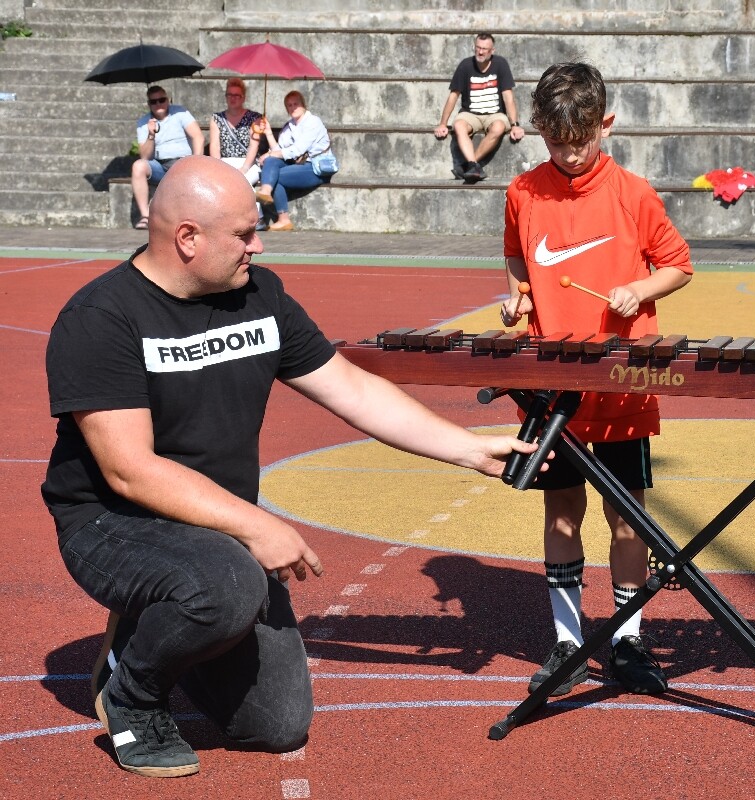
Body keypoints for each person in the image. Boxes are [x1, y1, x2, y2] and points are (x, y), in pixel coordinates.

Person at [42, 156, 541, 779]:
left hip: (214, 525)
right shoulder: (101, 320)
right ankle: (132, 692)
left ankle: (163, 621)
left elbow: (350, 389)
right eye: (244, 234)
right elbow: (129, 471)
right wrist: (256, 527)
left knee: (276, 724)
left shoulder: (261, 296)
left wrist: (469, 449)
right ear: (187, 238)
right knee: (227, 588)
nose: (259, 244)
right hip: (115, 524)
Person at [499, 63, 693, 698]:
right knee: (561, 509)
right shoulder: (524, 193)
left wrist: (639, 288)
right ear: (539, 133)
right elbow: (516, 259)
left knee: (627, 515)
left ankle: (629, 637)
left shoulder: (633, 194)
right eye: (556, 142)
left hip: (623, 378)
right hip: (552, 385)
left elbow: (678, 264)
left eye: (580, 141)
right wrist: (518, 299)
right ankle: (567, 640)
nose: (569, 153)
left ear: (605, 124)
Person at [433, 32, 525, 183]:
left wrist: (515, 125)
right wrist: (443, 123)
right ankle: (474, 166)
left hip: (495, 113)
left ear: (492, 50)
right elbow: (453, 95)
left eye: (484, 49)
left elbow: (508, 97)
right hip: (470, 113)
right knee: (458, 125)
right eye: (478, 48)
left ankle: (469, 165)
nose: (480, 52)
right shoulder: (465, 65)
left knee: (499, 127)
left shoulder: (500, 64)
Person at [255, 90, 335, 232]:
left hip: (315, 167)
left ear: (304, 105)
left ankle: (283, 219)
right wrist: (268, 132)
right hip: (298, 165)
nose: (293, 108)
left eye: (296, 104)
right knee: (272, 162)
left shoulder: (313, 122)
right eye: (289, 105)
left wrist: (270, 154)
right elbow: (279, 149)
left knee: (275, 175)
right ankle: (266, 192)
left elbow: (297, 150)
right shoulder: (289, 126)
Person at [131, 85, 204, 230]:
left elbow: (198, 137)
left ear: (168, 100)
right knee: (138, 166)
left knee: (182, 169)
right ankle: (145, 216)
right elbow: (145, 156)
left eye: (162, 100)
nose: (158, 104)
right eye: (154, 102)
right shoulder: (143, 123)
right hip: (159, 166)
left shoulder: (180, 113)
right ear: (149, 104)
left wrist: (197, 163)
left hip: (182, 162)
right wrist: (151, 135)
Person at [209, 77, 264, 186]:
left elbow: (254, 146)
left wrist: (244, 168)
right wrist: (218, 167)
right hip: (225, 162)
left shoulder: (255, 118)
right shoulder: (216, 118)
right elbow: (215, 145)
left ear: (243, 98)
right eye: (229, 95)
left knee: (242, 184)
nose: (232, 98)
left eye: (236, 95)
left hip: (248, 162)